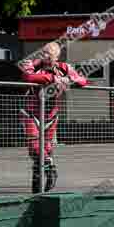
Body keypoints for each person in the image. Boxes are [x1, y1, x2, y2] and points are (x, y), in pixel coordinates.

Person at [18, 42, 88, 193]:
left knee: (47, 149)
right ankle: (51, 170)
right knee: (35, 148)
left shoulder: (64, 67)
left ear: (56, 56)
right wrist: (53, 78)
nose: (45, 56)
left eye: (49, 54)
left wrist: (68, 80)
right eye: (43, 53)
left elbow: (82, 81)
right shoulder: (33, 64)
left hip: (51, 114)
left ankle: (37, 187)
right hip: (31, 112)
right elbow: (28, 76)